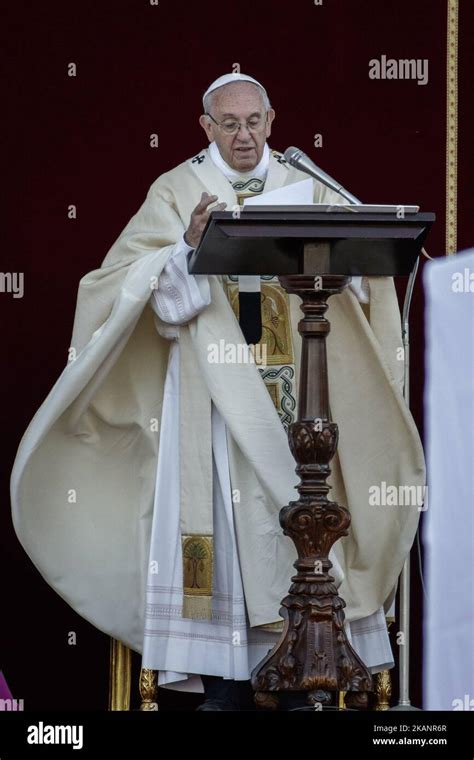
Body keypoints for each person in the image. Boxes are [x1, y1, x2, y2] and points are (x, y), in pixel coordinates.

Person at [11, 73, 425, 710]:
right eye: (228, 123)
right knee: (228, 533)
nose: (243, 134)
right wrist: (182, 248)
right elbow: (118, 285)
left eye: (253, 121)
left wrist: (354, 267)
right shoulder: (177, 190)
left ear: (272, 120)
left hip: (301, 402)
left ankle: (308, 660)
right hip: (210, 402)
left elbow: (360, 283)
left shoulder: (309, 187)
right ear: (206, 127)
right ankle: (231, 676)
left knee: (292, 515)